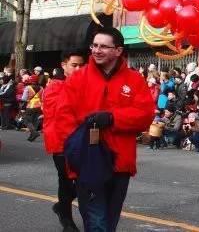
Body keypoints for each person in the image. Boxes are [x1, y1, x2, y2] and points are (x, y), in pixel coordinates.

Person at [57, 27, 155, 232]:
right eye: (94, 45)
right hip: (89, 162)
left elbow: (145, 116)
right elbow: (63, 118)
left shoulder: (134, 79)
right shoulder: (78, 78)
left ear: (118, 51)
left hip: (120, 162)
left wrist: (113, 118)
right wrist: (75, 154)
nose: (96, 50)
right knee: (96, 222)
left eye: (103, 46)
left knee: (109, 221)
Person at [43, 52, 85, 232]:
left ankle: (62, 207)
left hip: (82, 143)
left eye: (81, 65)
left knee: (82, 183)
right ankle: (66, 219)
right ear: (64, 65)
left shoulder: (85, 86)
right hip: (62, 143)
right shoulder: (54, 87)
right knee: (66, 182)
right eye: (74, 65)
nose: (78, 69)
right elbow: (60, 116)